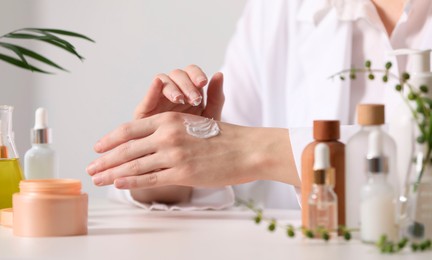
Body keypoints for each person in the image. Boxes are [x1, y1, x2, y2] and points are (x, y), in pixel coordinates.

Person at [86, 0, 430, 210]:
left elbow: (239, 150)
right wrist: (169, 156)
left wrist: (256, 151)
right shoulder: (281, 7)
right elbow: (226, 162)